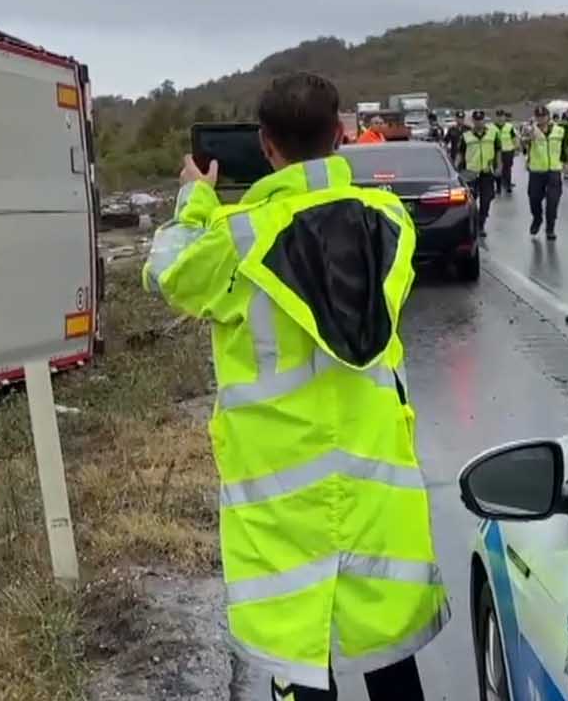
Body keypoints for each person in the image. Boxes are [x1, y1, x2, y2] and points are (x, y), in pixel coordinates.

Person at [144, 72, 444, 699]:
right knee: (387, 655)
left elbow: (167, 270)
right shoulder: (387, 222)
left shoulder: (235, 240)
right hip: (374, 487)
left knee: (301, 661)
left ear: (265, 145)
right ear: (340, 135)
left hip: (279, 500)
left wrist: (196, 199)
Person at [523, 106, 568, 239]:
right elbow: (523, 144)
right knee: (534, 199)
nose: (541, 119)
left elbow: (566, 148)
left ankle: (550, 228)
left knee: (553, 202)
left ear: (548, 116)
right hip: (537, 171)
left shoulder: (559, 131)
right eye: (538, 116)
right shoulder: (531, 130)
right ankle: (537, 218)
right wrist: (528, 137)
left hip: (554, 171)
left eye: (543, 116)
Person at [460, 111, 499, 237]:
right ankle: (473, 224)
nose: (478, 122)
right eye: (476, 120)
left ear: (484, 120)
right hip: (471, 173)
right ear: (473, 121)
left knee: (486, 200)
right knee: (471, 201)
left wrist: (499, 167)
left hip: (487, 172)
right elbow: (460, 154)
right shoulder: (466, 136)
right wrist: (455, 169)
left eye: (480, 120)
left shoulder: (493, 135)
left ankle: (481, 224)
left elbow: (498, 151)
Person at [494, 110, 518, 195]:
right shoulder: (492, 127)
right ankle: (498, 187)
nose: (500, 118)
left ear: (504, 117)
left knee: (507, 169)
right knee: (498, 169)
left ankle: (508, 185)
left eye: (502, 116)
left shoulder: (509, 127)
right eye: (498, 116)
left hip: (508, 150)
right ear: (496, 117)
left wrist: (516, 148)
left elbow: (514, 138)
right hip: (497, 152)